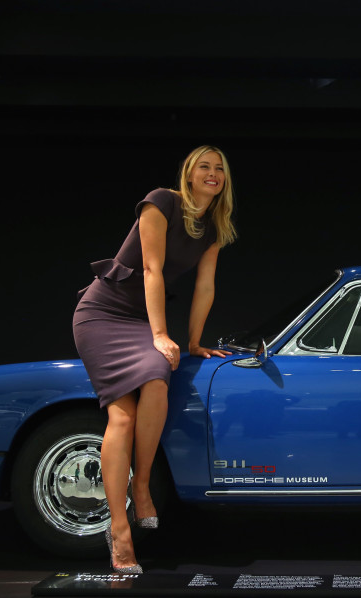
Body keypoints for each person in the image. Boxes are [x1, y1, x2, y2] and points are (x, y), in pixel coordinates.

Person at [72, 145, 237, 573]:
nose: (213, 174)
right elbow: (150, 269)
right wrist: (161, 335)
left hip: (142, 317)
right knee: (121, 418)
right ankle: (120, 530)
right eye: (204, 166)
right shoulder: (161, 201)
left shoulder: (214, 228)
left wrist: (195, 342)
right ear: (189, 172)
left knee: (158, 379)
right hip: (103, 314)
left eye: (219, 168)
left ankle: (141, 484)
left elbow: (205, 287)